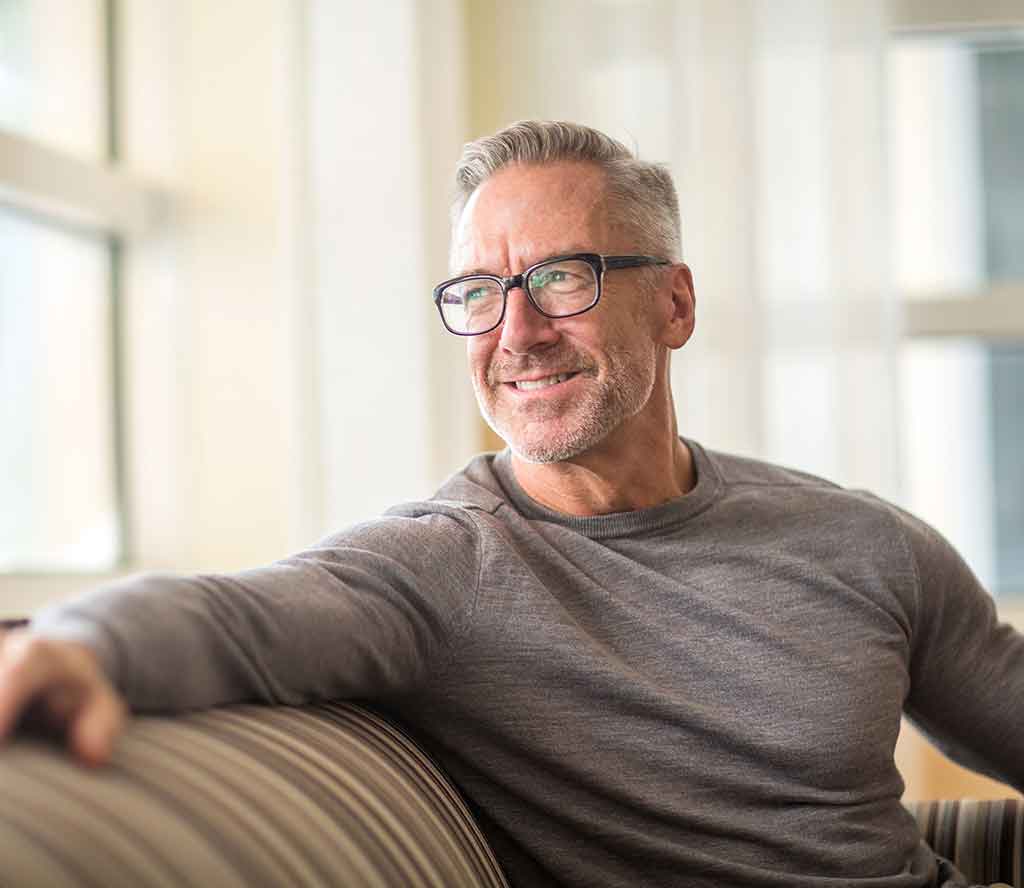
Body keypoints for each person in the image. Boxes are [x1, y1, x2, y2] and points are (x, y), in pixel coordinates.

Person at [0, 120, 1021, 888]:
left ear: (674, 303)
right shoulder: (444, 568)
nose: (516, 333)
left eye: (561, 278)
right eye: (478, 292)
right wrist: (82, 644)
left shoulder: (861, 540)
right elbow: (243, 614)